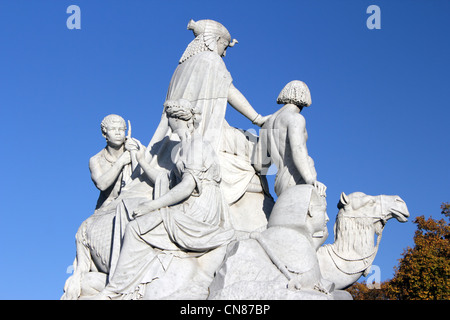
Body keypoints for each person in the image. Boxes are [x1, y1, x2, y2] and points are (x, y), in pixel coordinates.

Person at [97, 99, 235, 299]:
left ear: (174, 119)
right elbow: (165, 180)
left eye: (168, 118)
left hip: (200, 207)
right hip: (190, 201)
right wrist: (141, 159)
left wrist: (152, 205)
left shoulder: (196, 146)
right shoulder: (182, 147)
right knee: (131, 209)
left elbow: (187, 186)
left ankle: (116, 290)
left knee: (136, 228)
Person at [147, 19, 271, 207]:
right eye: (224, 45)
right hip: (207, 131)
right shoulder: (212, 60)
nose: (225, 52)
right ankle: (271, 198)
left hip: (176, 135)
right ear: (215, 40)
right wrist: (258, 118)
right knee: (257, 146)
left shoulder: (180, 67)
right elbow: (230, 91)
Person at [255, 80, 326, 197]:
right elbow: (298, 149)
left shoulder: (267, 124)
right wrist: (309, 179)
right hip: (296, 177)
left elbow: (259, 164)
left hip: (280, 181)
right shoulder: (295, 118)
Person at [89, 114, 132, 210]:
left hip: (131, 202)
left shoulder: (134, 151)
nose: (118, 133)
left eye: (121, 129)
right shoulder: (96, 160)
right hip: (106, 207)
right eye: (113, 129)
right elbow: (102, 184)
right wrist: (121, 162)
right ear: (104, 133)